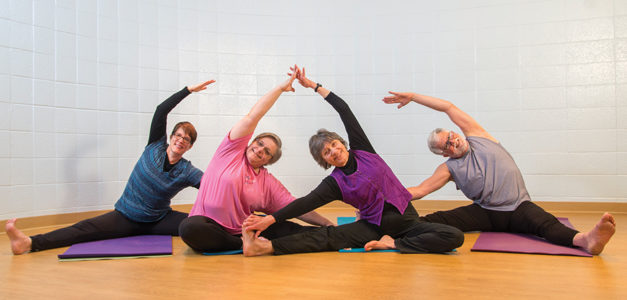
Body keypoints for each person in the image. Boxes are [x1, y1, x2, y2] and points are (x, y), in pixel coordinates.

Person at [241, 67, 464, 256]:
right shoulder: (334, 183)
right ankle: (267, 247)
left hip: (407, 223)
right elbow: (304, 203)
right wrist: (270, 219)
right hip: (371, 227)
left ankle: (394, 244)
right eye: (327, 153)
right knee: (328, 237)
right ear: (324, 161)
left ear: (342, 143)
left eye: (334, 145)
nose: (334, 152)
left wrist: (314, 86)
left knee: (453, 236)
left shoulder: (363, 150)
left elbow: (344, 110)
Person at [381, 91, 616, 255]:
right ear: (443, 154)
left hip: (518, 207)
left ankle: (587, 240)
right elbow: (420, 190)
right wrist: (380, 199)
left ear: (456, 132)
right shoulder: (449, 168)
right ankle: (390, 235)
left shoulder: (479, 137)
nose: (454, 143)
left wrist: (413, 97)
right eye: (447, 146)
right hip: (485, 213)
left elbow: (448, 107)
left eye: (452, 137)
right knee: (435, 220)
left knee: (546, 224)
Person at [6, 80, 215, 254]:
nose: (181, 140)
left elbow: (212, 187)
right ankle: (28, 242)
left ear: (190, 146)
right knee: (83, 229)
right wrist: (188, 91)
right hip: (125, 216)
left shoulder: (187, 171)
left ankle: (245, 235)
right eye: (178, 135)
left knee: (198, 224)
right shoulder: (154, 146)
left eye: (186, 139)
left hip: (159, 219)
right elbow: (161, 111)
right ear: (170, 137)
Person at [178, 66, 333, 253]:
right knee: (189, 227)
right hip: (209, 226)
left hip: (245, 229)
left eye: (267, 151)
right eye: (259, 143)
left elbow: (297, 208)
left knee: (293, 230)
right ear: (251, 142)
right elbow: (253, 116)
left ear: (269, 160)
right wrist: (280, 89)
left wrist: (327, 224)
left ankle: (336, 235)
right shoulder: (230, 152)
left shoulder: (267, 181)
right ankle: (247, 245)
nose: (260, 150)